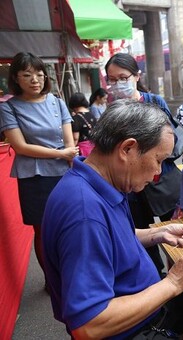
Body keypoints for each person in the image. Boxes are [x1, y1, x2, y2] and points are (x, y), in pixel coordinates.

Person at [42, 100, 183, 339]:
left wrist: (158, 234)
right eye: (158, 160)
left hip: (146, 306)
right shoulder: (84, 214)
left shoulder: (100, 183)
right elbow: (89, 325)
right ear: (127, 149)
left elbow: (112, 240)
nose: (158, 173)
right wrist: (173, 283)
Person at [0, 52, 78, 286]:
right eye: (27, 75)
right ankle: (52, 279)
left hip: (64, 172)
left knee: (71, 225)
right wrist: (60, 154)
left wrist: (70, 156)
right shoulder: (9, 107)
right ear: (16, 78)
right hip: (34, 177)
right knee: (43, 231)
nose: (35, 79)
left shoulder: (57, 101)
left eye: (39, 74)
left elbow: (69, 142)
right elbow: (20, 147)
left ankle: (73, 272)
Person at [105, 52, 178, 276]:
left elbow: (169, 138)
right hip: (131, 186)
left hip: (161, 179)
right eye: (112, 79)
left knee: (173, 228)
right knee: (142, 233)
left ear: (137, 76)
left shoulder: (155, 101)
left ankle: (178, 271)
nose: (117, 83)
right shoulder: (112, 110)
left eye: (123, 77)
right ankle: (154, 276)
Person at [68, 92, 97, 157]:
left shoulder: (76, 118)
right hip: (94, 148)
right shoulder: (92, 115)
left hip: (83, 151)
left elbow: (75, 138)